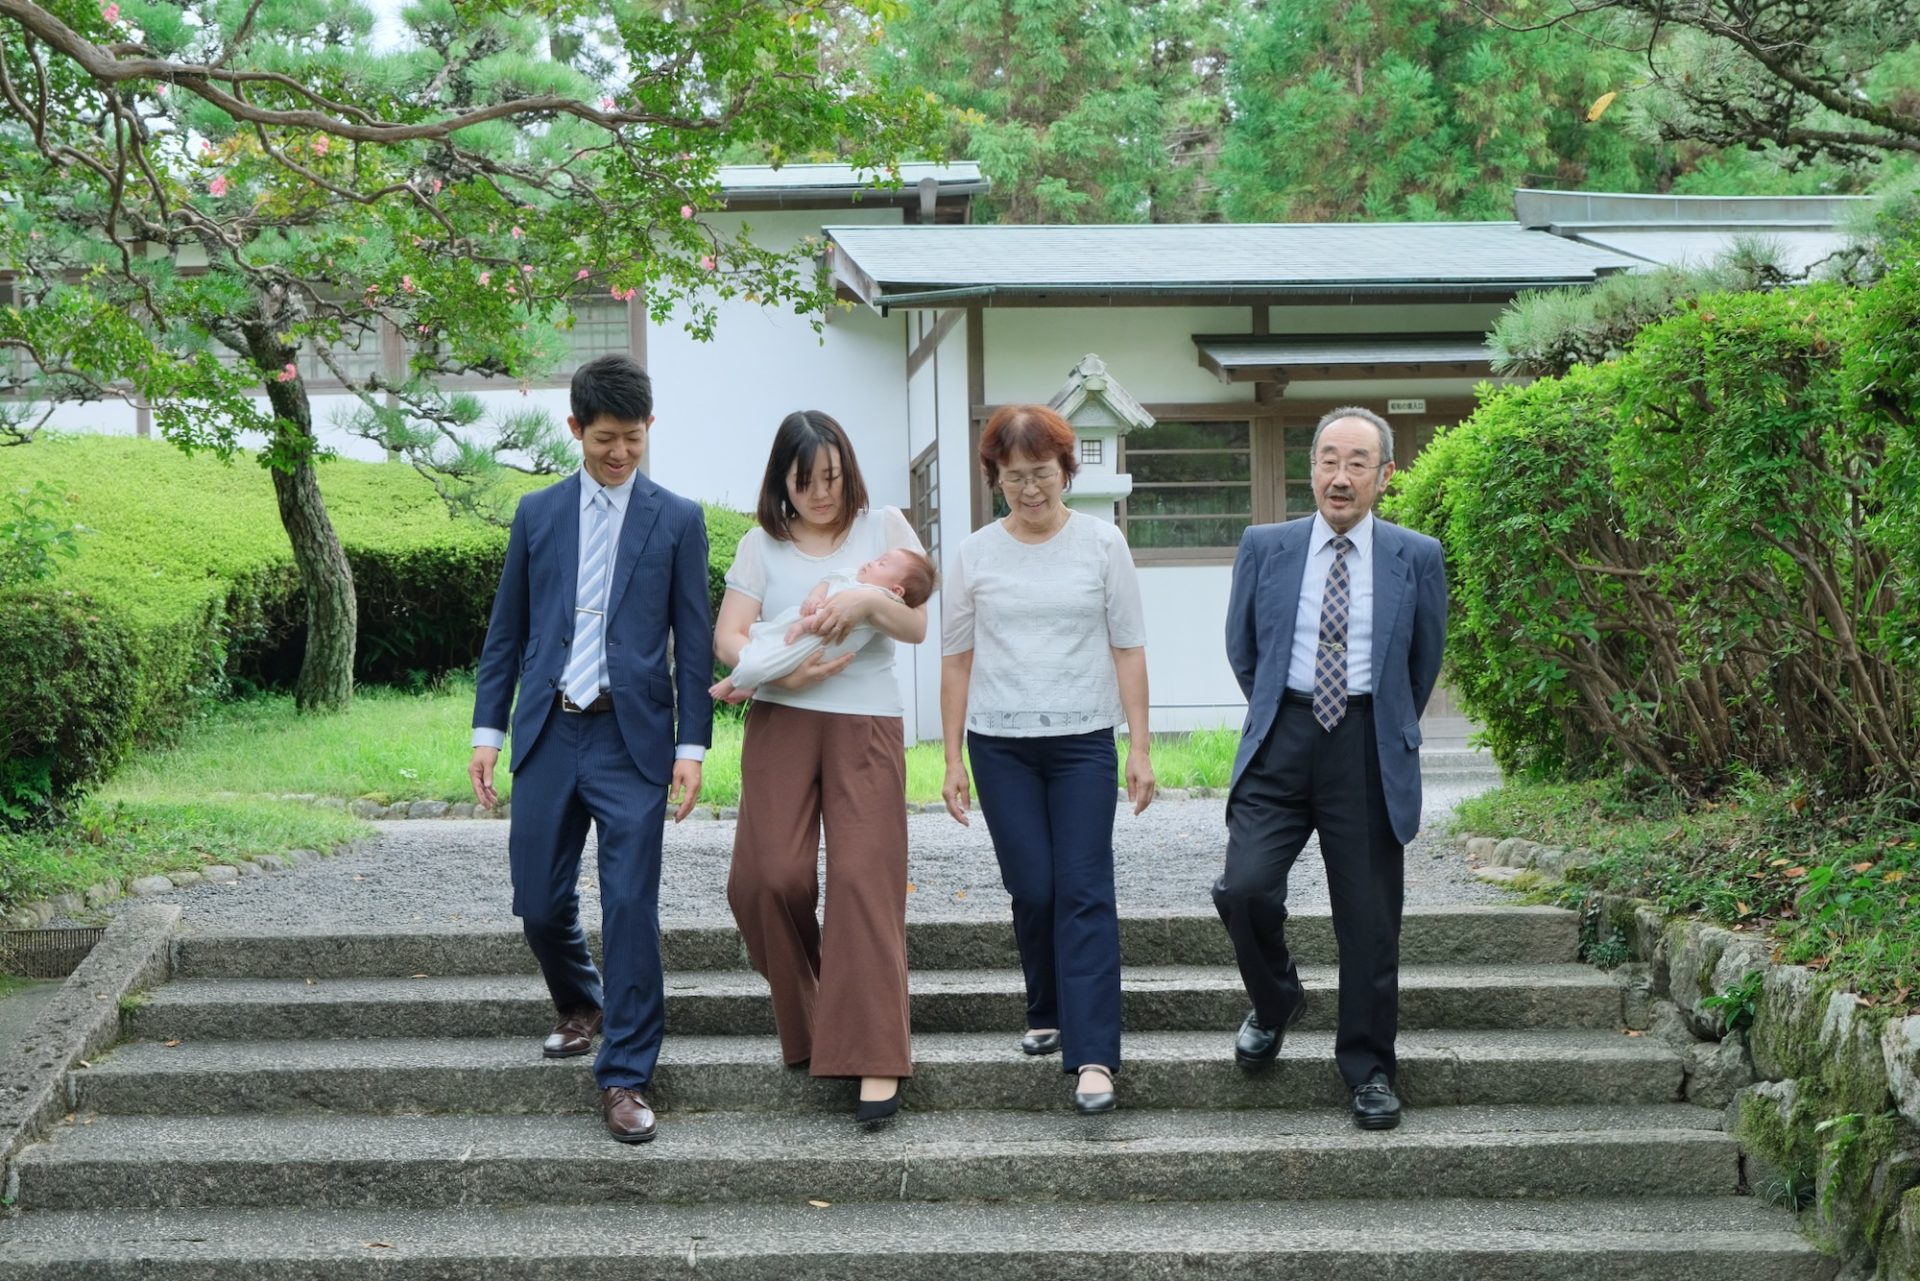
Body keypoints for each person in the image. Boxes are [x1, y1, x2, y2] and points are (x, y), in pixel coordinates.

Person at [467, 354, 713, 1145]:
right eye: (605, 438)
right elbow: (506, 633)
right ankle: (580, 1001)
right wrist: (487, 730)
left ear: (648, 430)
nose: (619, 453)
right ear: (575, 429)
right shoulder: (537, 515)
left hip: (632, 735)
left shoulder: (677, 518)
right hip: (548, 727)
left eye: (633, 439)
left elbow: (695, 642)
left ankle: (626, 1073)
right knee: (537, 899)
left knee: (631, 905)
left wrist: (693, 744)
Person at [1212, 405, 1446, 1132]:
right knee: (1243, 887)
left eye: (1356, 464)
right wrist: (1285, 709)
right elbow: (1243, 644)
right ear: (1310, 467)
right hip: (1283, 730)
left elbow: (1422, 661)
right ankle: (1278, 997)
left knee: (1370, 922)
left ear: (1385, 475)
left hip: (1368, 741)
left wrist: (1374, 716)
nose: (1339, 477)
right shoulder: (1266, 546)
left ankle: (1369, 1067)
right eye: (1328, 460)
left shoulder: (1417, 555)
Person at [939, 403, 1156, 1116]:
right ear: (994, 478)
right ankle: (1047, 1004)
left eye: (1041, 475)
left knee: (1084, 886)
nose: (1030, 490)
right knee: (1033, 886)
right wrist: (951, 760)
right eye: (1013, 478)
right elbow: (957, 659)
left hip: (1084, 740)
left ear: (1067, 470)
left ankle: (1093, 1054)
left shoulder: (1102, 545)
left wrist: (1141, 746)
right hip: (999, 744)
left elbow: (1127, 646)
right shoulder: (973, 554)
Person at [715, 410, 928, 1127]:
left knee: (865, 880)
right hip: (781, 714)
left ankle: (874, 1054)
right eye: (806, 482)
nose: (822, 493)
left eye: (833, 478)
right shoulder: (759, 545)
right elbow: (729, 635)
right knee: (766, 878)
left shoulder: (884, 525)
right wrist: (786, 675)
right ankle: (813, 1015)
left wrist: (869, 597)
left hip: (866, 719)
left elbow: (918, 621)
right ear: (783, 480)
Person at [710, 548, 936, 703]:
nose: (871, 562)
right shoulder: (852, 578)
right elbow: (828, 581)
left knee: (771, 656)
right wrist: (814, 597)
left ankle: (737, 679)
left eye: (881, 564)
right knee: (773, 651)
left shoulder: (878, 596)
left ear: (896, 591)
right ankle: (752, 682)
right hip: (806, 637)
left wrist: (804, 625)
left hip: (816, 641)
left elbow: (826, 618)